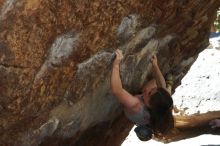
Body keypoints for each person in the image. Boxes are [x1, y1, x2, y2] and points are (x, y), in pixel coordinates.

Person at [111, 49, 174, 140]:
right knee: (161, 88)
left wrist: (116, 64)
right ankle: (169, 85)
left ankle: (169, 85)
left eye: (149, 93)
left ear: (149, 105)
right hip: (147, 115)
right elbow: (161, 85)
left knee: (154, 86)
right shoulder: (162, 106)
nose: (149, 90)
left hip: (134, 111)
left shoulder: (136, 105)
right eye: (153, 90)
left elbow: (117, 90)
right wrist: (155, 65)